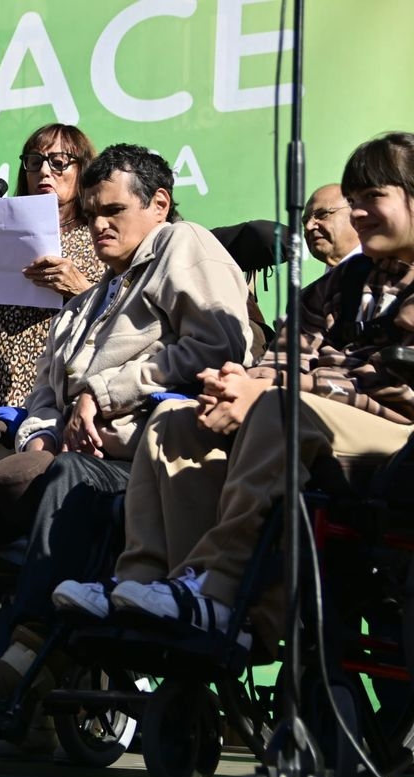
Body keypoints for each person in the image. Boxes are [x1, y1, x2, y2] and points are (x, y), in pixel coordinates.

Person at [0, 143, 254, 751]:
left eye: (113, 210)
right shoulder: (89, 301)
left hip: (145, 464)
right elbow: (44, 395)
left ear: (160, 205)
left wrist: (105, 391)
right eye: (91, 213)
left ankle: (19, 665)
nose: (97, 225)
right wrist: (39, 431)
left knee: (69, 478)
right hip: (70, 461)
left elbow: (220, 344)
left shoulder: (183, 245)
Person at [53, 132, 414, 653]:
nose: (357, 214)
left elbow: (393, 385)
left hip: (397, 437)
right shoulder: (339, 285)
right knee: (174, 422)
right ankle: (148, 584)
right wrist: (239, 386)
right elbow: (283, 356)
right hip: (317, 417)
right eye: (352, 202)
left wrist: (275, 389)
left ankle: (220, 592)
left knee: (277, 408)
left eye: (371, 198)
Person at [0, 123, 105, 436]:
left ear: (82, 170)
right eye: (34, 161)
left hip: (59, 409)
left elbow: (122, 317)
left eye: (59, 162)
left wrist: (78, 289)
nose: (44, 171)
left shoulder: (97, 237)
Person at [304, 183, 361, 271]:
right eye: (305, 221)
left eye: (322, 214)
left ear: (355, 214)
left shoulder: (384, 273)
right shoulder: (322, 284)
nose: (308, 226)